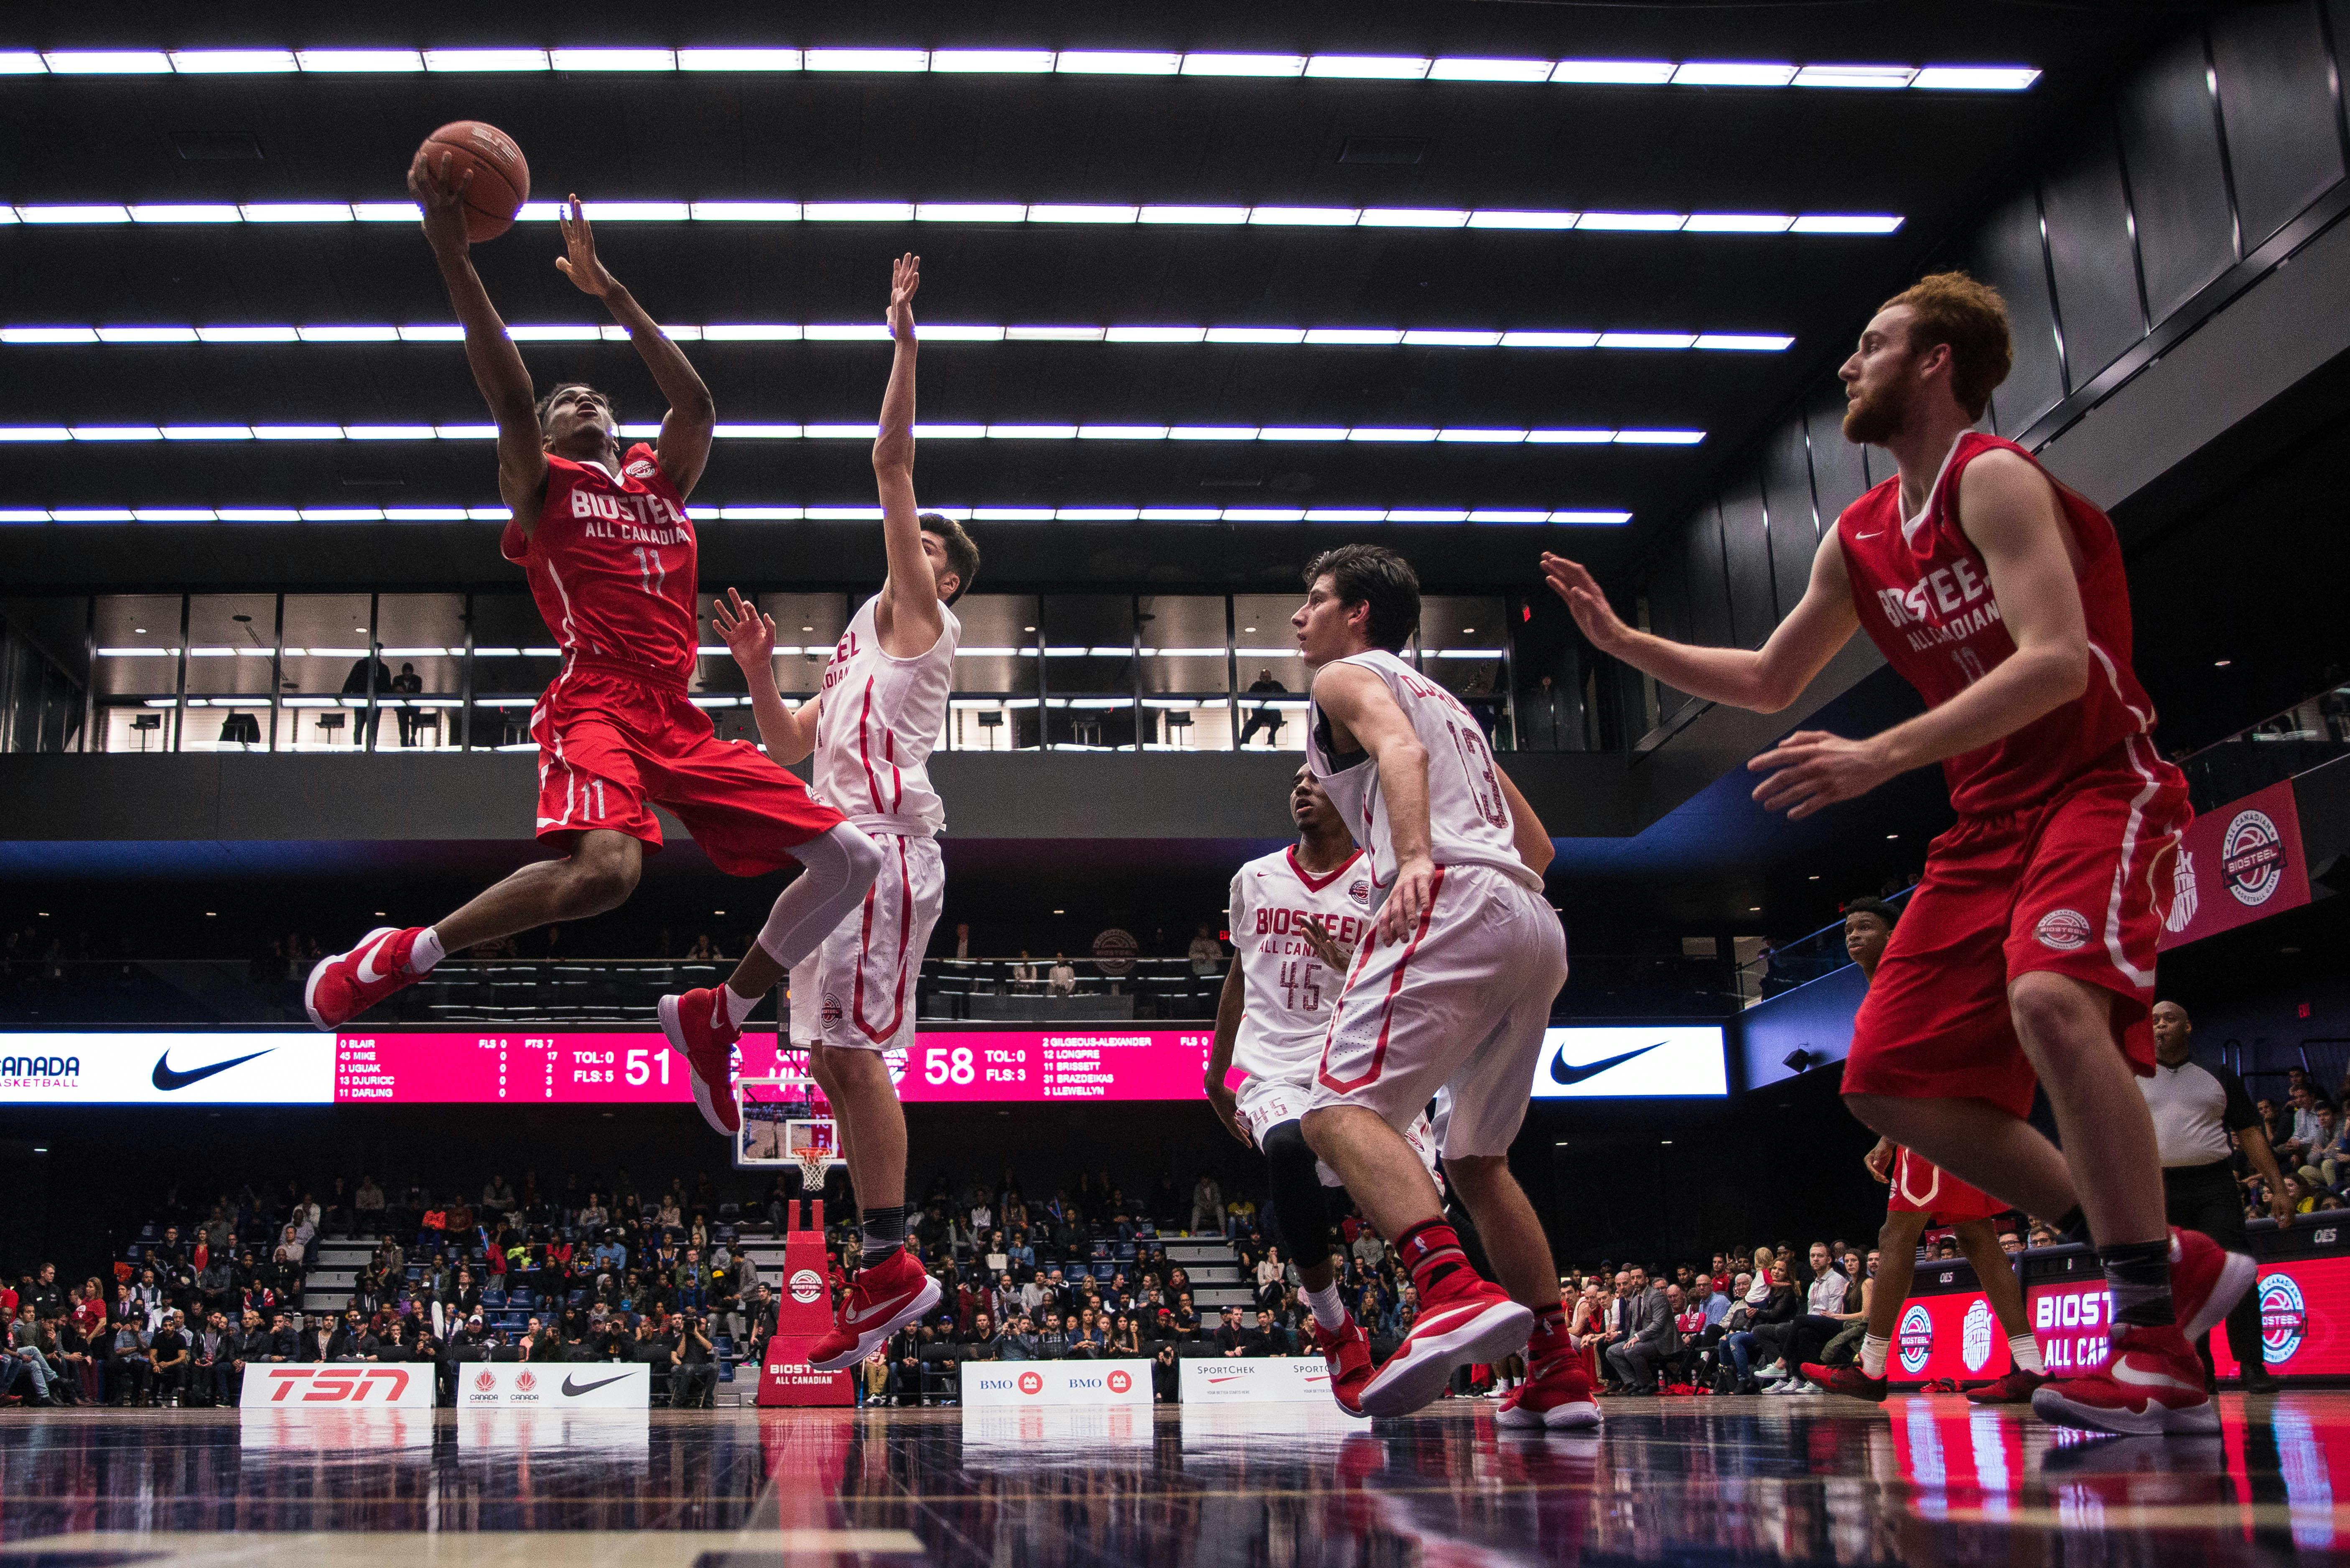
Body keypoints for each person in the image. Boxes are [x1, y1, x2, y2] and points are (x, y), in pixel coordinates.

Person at [1542, 272, 2249, 1436]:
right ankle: (2162, 1261)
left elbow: (2055, 661)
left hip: (2093, 787)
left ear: (1935, 361)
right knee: (1882, 1080)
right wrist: (1624, 643)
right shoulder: (1861, 534)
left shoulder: (1995, 478)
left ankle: (2150, 1341)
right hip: (1985, 825)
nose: (1844, 365)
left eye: (1869, 345)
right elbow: (1769, 679)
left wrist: (1878, 756)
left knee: (2051, 1004)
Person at [300, 175, 878, 1112]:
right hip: (598, 697)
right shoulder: (546, 484)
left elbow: (696, 404)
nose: (576, 399)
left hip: (677, 714)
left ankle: (717, 1016)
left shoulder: (659, 482)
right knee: (608, 872)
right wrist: (452, 254)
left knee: (854, 861)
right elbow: (513, 391)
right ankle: (402, 955)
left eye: (590, 394)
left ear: (615, 428)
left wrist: (610, 292)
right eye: (565, 399)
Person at [666, 254, 978, 1377]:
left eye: (932, 550)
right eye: (916, 544)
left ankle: (893, 1261)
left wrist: (901, 339)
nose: (915, 550)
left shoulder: (919, 624)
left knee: (856, 1056)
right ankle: (883, 1256)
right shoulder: (858, 640)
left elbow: (889, 459)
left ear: (944, 579)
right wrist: (754, 672)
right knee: (836, 1065)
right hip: (838, 846)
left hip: (885, 854)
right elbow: (790, 744)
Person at [1291, 544, 1588, 1427]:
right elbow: (1538, 847)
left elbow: (1395, 748)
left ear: (1359, 616)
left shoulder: (1348, 679)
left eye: (1315, 599)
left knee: (1338, 1113)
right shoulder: (1452, 704)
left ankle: (1448, 1290)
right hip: (1530, 918)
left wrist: (1415, 855)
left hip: (1452, 892)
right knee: (1475, 1160)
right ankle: (1556, 1367)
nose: (1299, 617)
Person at [1202, 763, 1447, 1415]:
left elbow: (1416, 978)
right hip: (1275, 1065)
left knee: (1422, 1196)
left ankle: (1452, 1309)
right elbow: (1239, 976)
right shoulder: (1252, 878)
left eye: (1317, 779)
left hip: (1360, 1056)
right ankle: (1335, 1325)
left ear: (1352, 797)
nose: (1301, 788)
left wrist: (1356, 967)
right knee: (1285, 1147)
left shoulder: (1384, 879)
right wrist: (1213, 1072)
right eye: (1295, 779)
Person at [1805, 897, 2048, 1405]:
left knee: (1896, 1234)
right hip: (1952, 1112)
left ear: (1894, 936)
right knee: (1977, 1237)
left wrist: (1901, 1129)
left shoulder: (1904, 977)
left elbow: (1932, 1053)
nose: (1853, 935)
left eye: (1866, 927)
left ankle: (1871, 1368)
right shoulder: (1883, 983)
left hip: (1936, 1113)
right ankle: (2031, 1366)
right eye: (1848, 928)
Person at [2135, 1000, 2293, 1392]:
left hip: (2213, 1185)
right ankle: (2198, 1367)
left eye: (2169, 1019)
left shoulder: (2217, 1074)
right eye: (2153, 1020)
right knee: (2177, 1279)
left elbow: (2251, 1133)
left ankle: (2252, 1365)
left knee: (2236, 1270)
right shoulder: (2132, 1075)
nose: (2160, 1026)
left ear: (2187, 1027)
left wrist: (2277, 1188)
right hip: (2158, 1187)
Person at [1238, 668, 1288, 747]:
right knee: (1246, 731)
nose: (1267, 679)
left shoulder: (1276, 685)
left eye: (1269, 677)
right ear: (1260, 678)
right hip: (1259, 715)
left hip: (1272, 713)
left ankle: (1272, 735)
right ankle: (1243, 747)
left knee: (1277, 716)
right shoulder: (1256, 686)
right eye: (1265, 677)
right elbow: (1249, 696)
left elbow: (1286, 695)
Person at [390, 661, 425, 747]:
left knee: (408, 723)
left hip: (410, 707)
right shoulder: (399, 680)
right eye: (406, 672)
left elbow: (417, 692)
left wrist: (403, 692)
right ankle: (406, 741)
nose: (407, 674)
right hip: (404, 708)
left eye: (409, 672)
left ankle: (411, 738)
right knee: (403, 727)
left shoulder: (416, 680)